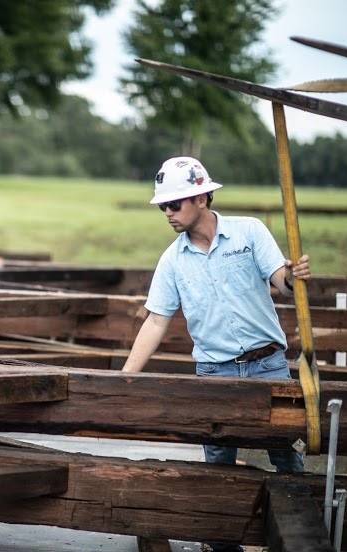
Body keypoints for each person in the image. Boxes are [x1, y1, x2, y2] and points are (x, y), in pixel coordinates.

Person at [121, 156, 311, 475]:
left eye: (174, 204)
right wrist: (124, 376)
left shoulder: (249, 232)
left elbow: (282, 280)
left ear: (200, 197)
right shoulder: (172, 261)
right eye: (162, 207)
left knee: (286, 456)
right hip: (214, 372)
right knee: (219, 465)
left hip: (267, 365)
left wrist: (295, 276)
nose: (167, 212)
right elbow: (155, 321)